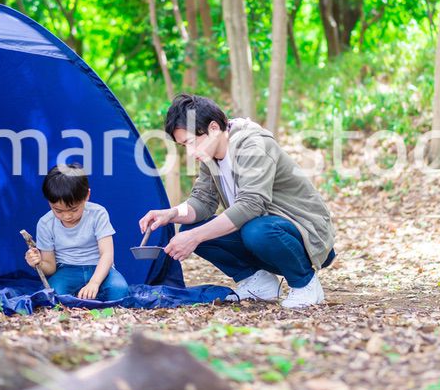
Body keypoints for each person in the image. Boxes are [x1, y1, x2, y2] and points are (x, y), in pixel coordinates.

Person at [139, 94, 336, 308]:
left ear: (213, 128)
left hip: (304, 235)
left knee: (255, 230)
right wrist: (171, 213)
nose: (190, 152)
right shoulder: (210, 155)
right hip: (264, 235)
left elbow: (252, 205)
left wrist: (194, 237)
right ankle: (259, 282)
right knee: (192, 227)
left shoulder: (254, 144)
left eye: (191, 142)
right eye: (183, 145)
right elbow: (203, 201)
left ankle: (305, 283)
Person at [25, 163, 130, 301]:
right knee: (53, 294)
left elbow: (107, 254)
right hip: (66, 270)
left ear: (87, 195)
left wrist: (94, 283)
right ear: (49, 202)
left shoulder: (98, 213)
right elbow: (50, 268)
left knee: (119, 290)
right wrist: (37, 262)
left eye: (74, 209)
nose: (67, 216)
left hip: (100, 268)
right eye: (58, 210)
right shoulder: (45, 223)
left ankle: (88, 294)